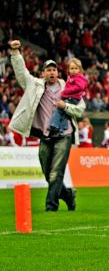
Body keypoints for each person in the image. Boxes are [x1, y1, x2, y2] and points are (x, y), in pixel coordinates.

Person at [8, 40, 86, 211]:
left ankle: (51, 206)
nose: (52, 72)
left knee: (56, 173)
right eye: (48, 70)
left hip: (64, 134)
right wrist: (16, 53)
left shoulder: (69, 86)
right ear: (43, 73)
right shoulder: (34, 85)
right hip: (45, 135)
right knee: (47, 173)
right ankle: (67, 194)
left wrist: (65, 106)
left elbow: (80, 110)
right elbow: (21, 73)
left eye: (54, 70)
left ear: (58, 73)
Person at [48, 58, 87, 136]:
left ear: (80, 69)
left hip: (73, 98)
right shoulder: (71, 77)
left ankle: (54, 124)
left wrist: (66, 92)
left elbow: (80, 87)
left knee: (59, 109)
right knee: (65, 114)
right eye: (72, 68)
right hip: (70, 97)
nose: (74, 70)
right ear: (68, 70)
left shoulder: (79, 77)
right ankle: (62, 128)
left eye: (76, 68)